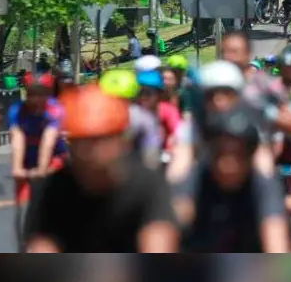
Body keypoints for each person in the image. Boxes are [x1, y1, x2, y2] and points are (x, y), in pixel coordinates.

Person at [24, 84, 177, 253]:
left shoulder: (146, 184)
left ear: (121, 141)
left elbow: (158, 241)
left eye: (99, 141)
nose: (87, 152)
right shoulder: (50, 190)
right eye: (79, 142)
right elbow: (41, 249)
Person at [171, 104, 289, 252]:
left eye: (238, 155)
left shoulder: (264, 185)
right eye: (221, 153)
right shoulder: (196, 178)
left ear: (250, 157)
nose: (228, 163)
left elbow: (275, 237)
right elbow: (174, 221)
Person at [8, 72, 66, 251]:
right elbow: (17, 139)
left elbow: (48, 140)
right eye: (32, 93)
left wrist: (42, 170)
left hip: (54, 160)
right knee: (23, 208)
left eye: (41, 93)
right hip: (27, 161)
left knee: (55, 203)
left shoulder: (55, 110)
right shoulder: (17, 111)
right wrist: (17, 168)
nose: (36, 98)